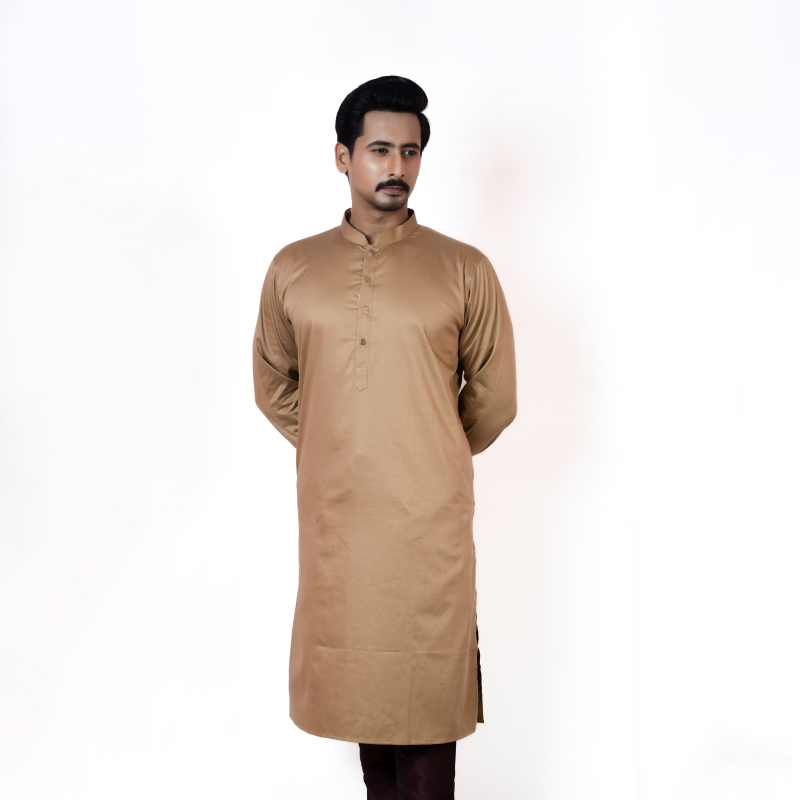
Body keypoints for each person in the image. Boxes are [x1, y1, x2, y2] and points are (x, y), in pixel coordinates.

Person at [252, 75, 517, 800]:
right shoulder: (294, 268)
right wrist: (341, 439)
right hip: (339, 524)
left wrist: (425, 449)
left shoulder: (463, 269)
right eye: (379, 150)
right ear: (343, 156)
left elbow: (495, 400)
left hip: (427, 525)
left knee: (424, 698)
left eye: (410, 151)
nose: (396, 166)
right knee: (365, 695)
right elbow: (274, 381)